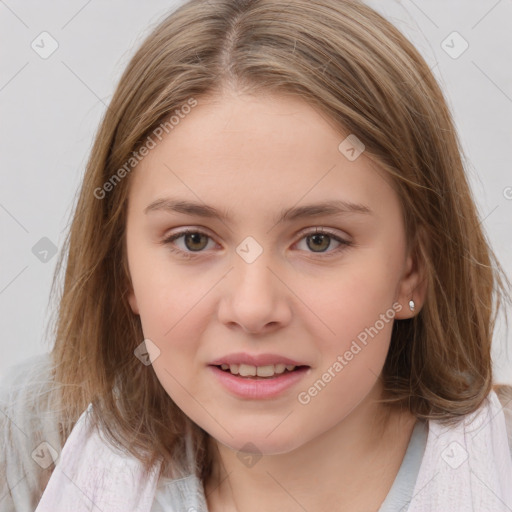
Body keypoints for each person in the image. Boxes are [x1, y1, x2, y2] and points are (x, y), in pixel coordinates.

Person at [1, 0, 511, 510]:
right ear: (123, 269)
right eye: (193, 240)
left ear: (413, 270)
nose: (252, 308)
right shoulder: (36, 436)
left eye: (319, 240)